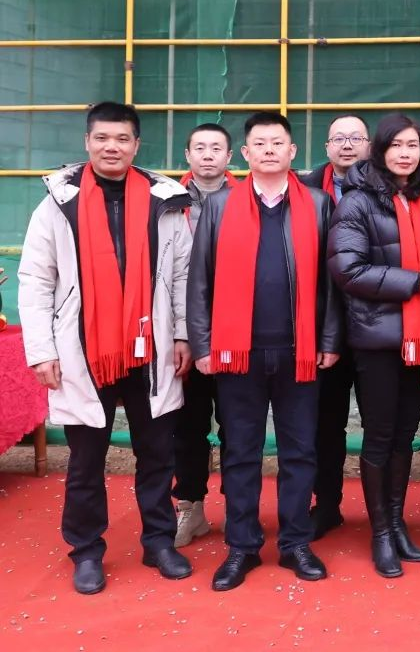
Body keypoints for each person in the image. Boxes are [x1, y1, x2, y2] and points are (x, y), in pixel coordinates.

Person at [19, 102, 194, 595]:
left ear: (136, 145)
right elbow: (36, 279)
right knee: (85, 461)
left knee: (157, 454)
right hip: (83, 349)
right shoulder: (58, 203)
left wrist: (183, 333)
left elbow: (181, 275)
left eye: (121, 139)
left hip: (150, 348)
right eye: (102, 138)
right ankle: (86, 550)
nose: (111, 147)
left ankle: (159, 541)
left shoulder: (165, 201)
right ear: (87, 143)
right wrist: (42, 349)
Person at [187, 111, 342, 591]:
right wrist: (203, 343)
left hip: (300, 351)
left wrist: (330, 340)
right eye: (260, 143)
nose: (270, 150)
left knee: (300, 451)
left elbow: (332, 282)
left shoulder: (318, 204)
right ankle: (242, 545)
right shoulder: (220, 206)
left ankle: (295, 541)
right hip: (238, 353)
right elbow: (200, 280)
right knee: (240, 452)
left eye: (278, 142)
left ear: (292, 151)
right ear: (246, 153)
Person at [327, 114, 420, 579]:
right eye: (396, 145)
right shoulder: (357, 201)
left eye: (412, 145)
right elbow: (348, 270)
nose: (405, 153)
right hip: (377, 339)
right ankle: (380, 532)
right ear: (379, 150)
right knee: (380, 436)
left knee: (404, 435)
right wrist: (414, 281)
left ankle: (397, 524)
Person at [300, 114, 371, 540]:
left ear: (369, 145)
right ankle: (326, 504)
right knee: (324, 424)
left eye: (356, 138)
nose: (347, 145)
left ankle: (385, 513)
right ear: (326, 146)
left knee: (380, 426)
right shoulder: (304, 189)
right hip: (321, 324)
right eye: (338, 138)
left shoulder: (384, 187)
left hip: (375, 323)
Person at [173, 122, 236, 548]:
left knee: (237, 425)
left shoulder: (247, 200)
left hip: (234, 329)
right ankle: (190, 507)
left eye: (216, 148)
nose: (208, 155)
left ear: (229, 157)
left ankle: (238, 508)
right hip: (184, 330)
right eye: (200, 148)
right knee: (188, 424)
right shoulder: (166, 201)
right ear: (188, 155)